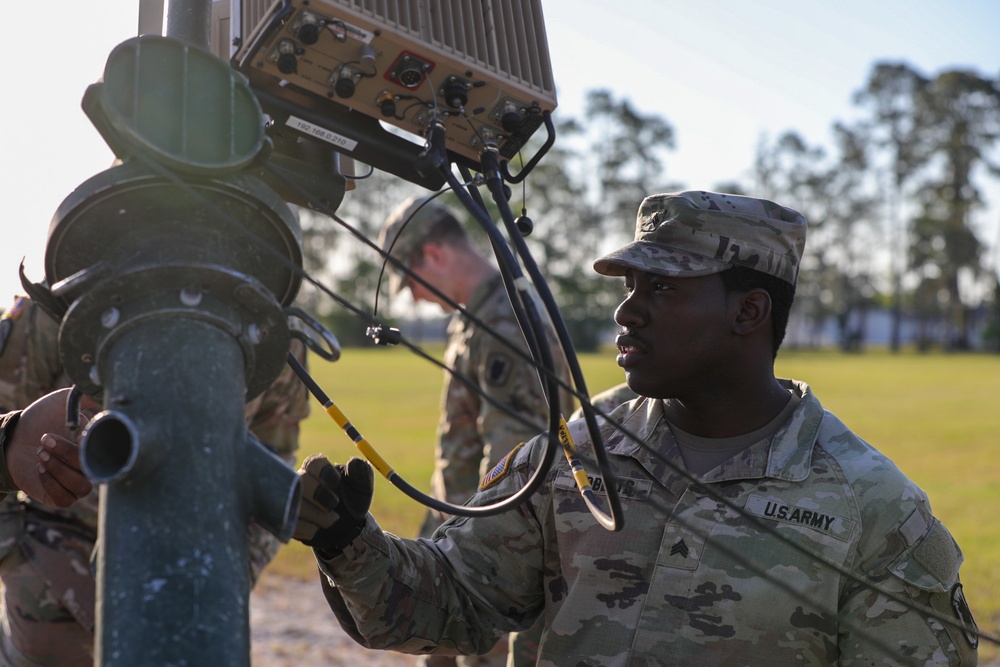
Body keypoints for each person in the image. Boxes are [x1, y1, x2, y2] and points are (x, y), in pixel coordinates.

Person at [295, 190, 978, 666]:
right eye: (629, 286)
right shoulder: (575, 454)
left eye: (662, 289)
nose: (627, 312)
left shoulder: (876, 511)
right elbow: (444, 603)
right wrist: (350, 543)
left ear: (749, 312)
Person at [0, 295, 311, 667]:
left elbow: (273, 455)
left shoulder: (272, 324)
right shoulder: (61, 299)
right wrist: (15, 555)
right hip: (58, 559)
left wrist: (232, 578)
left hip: (195, 558)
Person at [377, 195, 575, 667]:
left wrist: (472, 565)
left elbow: (514, 466)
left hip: (490, 551)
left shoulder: (504, 322)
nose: (415, 299)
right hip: (465, 536)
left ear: (434, 256)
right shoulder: (481, 316)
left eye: (411, 284)